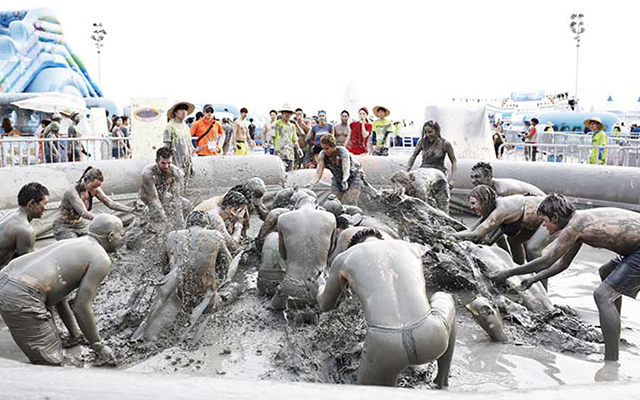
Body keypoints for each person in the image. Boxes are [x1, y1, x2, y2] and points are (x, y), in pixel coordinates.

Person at [488, 194, 640, 362]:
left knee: (602, 295)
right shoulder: (578, 223)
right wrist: (533, 279)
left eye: (545, 220)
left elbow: (546, 260)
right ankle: (613, 334)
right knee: (606, 272)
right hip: (632, 249)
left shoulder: (574, 226)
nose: (543, 225)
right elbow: (562, 264)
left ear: (555, 217)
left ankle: (611, 361)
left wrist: (508, 272)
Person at [317, 230, 456, 387]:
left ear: (353, 245)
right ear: (380, 238)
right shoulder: (410, 247)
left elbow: (325, 305)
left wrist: (321, 284)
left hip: (384, 347)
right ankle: (442, 380)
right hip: (431, 337)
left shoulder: (345, 258)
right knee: (445, 297)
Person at [0, 214, 124, 366]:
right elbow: (81, 307)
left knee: (52, 342)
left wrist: (74, 334)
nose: (122, 239)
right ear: (111, 236)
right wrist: (98, 345)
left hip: (6, 277)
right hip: (21, 294)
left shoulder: (73, 242)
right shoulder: (101, 258)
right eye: (121, 235)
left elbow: (60, 297)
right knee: (52, 364)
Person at [133, 211, 232, 341]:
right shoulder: (216, 235)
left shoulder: (172, 236)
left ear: (187, 225)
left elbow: (165, 268)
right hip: (205, 298)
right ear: (207, 225)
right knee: (233, 289)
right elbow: (228, 263)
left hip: (177, 297)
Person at [452, 185, 552, 268]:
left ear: (484, 200)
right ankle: (518, 271)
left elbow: (478, 233)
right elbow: (472, 229)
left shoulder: (500, 210)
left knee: (532, 248)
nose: (471, 207)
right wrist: (451, 234)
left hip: (550, 214)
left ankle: (544, 289)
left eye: (473, 203)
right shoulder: (491, 209)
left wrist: (448, 236)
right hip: (530, 219)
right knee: (514, 241)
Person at [271, 193, 335, 311]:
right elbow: (331, 253)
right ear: (316, 205)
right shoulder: (330, 217)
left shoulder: (283, 218)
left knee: (273, 308)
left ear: (295, 206)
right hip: (321, 287)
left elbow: (282, 253)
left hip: (291, 287)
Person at [53, 166, 134, 240]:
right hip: (63, 225)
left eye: (97, 187)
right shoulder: (72, 192)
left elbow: (110, 203)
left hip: (80, 224)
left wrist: (131, 210)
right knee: (74, 247)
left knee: (93, 242)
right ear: (85, 180)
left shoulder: (95, 190)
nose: (94, 189)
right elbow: (84, 213)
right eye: (92, 186)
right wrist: (107, 219)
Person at [0, 183, 49, 269]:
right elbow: (29, 264)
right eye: (44, 203)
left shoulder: (12, 214)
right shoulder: (25, 230)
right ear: (32, 203)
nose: (46, 208)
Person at [139, 147, 191, 228]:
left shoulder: (176, 172)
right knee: (158, 214)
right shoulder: (147, 173)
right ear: (156, 161)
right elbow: (154, 198)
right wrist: (166, 220)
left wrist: (181, 222)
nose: (166, 166)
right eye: (163, 163)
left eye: (169, 163)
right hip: (148, 199)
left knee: (187, 204)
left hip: (164, 196)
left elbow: (176, 197)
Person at [310, 134, 364, 206]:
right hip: (337, 176)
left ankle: (354, 213)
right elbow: (318, 173)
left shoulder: (342, 152)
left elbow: (346, 168)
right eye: (323, 148)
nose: (325, 151)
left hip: (354, 174)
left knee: (352, 198)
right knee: (334, 199)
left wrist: (345, 180)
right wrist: (312, 183)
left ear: (333, 146)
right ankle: (338, 213)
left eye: (327, 148)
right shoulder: (322, 155)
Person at [406, 120, 457, 187]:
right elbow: (413, 156)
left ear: (437, 131)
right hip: (423, 172)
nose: (427, 135)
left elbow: (454, 161)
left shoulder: (445, 143)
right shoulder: (422, 142)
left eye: (430, 132)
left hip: (438, 174)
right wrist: (406, 171)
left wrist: (452, 180)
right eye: (425, 132)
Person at [470, 161, 545, 197]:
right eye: (472, 177)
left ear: (488, 176)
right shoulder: (492, 189)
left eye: (477, 177)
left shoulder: (503, 191)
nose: (473, 181)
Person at [163, 101, 195, 177]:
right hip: (175, 163)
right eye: (181, 109)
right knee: (175, 186)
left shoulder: (186, 127)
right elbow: (166, 147)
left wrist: (191, 164)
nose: (184, 112)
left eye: (185, 109)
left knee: (185, 186)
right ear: (175, 112)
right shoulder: (170, 127)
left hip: (186, 163)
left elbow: (189, 147)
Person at [273, 104, 303, 171]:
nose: (287, 114)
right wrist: (269, 150)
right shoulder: (276, 124)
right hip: (280, 153)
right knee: (281, 171)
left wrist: (298, 149)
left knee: (290, 173)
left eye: (289, 113)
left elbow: (294, 139)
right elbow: (271, 136)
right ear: (282, 113)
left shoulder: (292, 126)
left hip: (290, 153)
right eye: (285, 112)